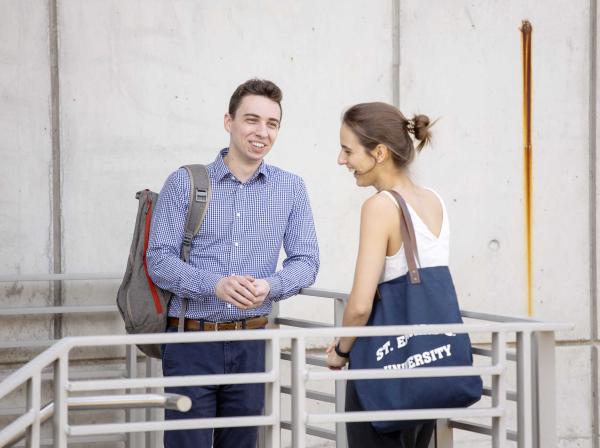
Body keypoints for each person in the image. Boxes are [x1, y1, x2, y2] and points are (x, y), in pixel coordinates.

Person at [147, 78, 320, 448]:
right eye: (251, 120)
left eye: (272, 124)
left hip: (252, 341)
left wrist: (271, 286)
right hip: (191, 341)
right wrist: (216, 284)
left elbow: (306, 261)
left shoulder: (291, 188)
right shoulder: (185, 183)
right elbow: (158, 259)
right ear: (229, 122)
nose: (262, 132)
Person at [326, 102, 442, 448]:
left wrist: (341, 352)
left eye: (348, 150)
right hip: (427, 365)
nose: (341, 160)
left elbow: (361, 305)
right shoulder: (434, 201)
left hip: (384, 368)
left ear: (379, 153)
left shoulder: (379, 207)